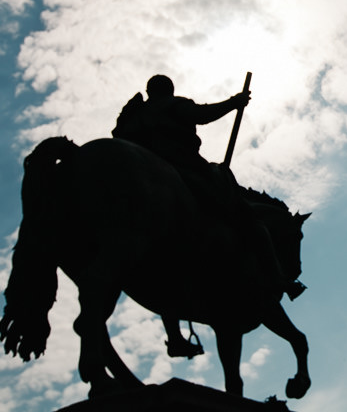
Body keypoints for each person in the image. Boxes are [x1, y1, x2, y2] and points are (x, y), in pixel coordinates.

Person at [112, 75, 305, 358]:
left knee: (165, 266)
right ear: (169, 90)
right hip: (183, 168)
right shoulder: (173, 105)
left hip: (149, 176)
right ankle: (278, 279)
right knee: (246, 217)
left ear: (148, 91)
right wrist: (234, 102)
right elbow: (202, 115)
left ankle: (174, 337)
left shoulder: (136, 113)